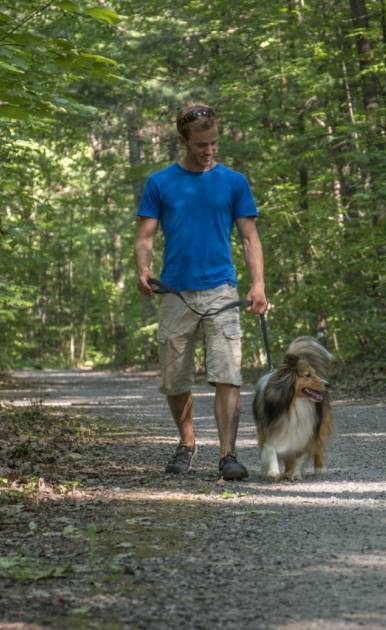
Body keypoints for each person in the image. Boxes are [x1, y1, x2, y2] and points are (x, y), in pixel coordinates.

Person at [134, 103, 267, 481]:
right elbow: (144, 237)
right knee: (175, 379)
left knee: (228, 374)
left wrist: (257, 284)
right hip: (175, 291)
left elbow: (249, 237)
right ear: (182, 140)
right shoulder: (160, 183)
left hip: (221, 289)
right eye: (201, 145)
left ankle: (228, 455)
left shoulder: (234, 182)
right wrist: (143, 269)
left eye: (214, 143)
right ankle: (187, 443)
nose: (209, 150)